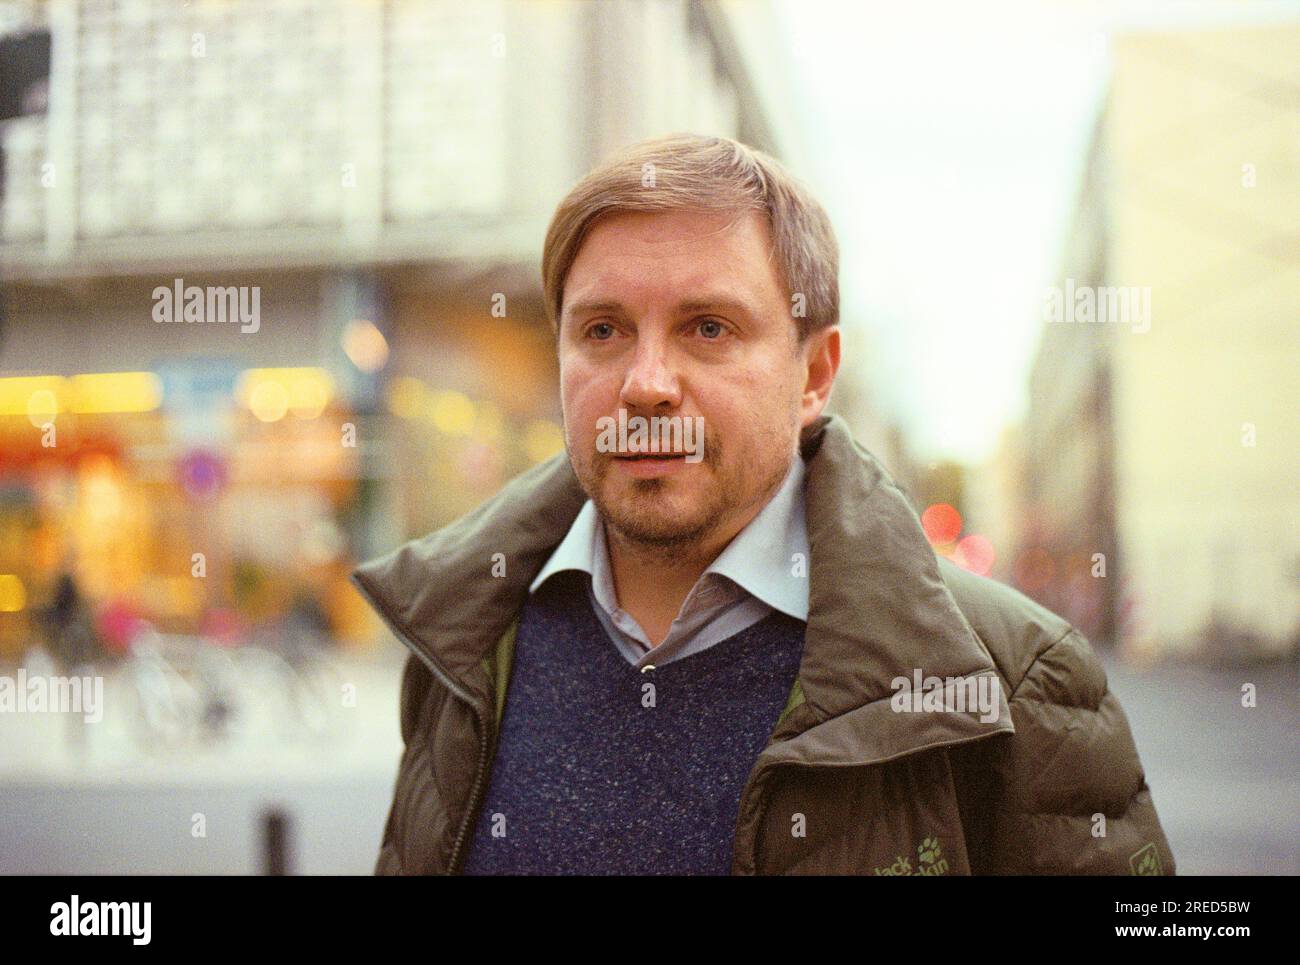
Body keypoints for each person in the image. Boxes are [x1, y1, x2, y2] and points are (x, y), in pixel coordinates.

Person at [352, 133, 1175, 875]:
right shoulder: (464, 643)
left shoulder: (1011, 678)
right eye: (602, 330)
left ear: (814, 374)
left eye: (707, 328)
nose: (644, 384)